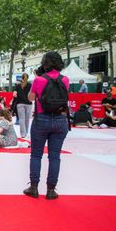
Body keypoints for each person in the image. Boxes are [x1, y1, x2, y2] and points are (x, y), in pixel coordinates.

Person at [24, 51, 69, 200]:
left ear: (44, 63)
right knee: (55, 157)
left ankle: (34, 187)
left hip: (42, 119)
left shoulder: (39, 80)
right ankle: (51, 190)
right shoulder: (65, 79)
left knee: (36, 155)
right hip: (60, 119)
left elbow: (30, 98)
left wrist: (37, 80)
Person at [13, 73, 32, 138]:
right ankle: (26, 132)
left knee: (21, 119)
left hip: (20, 103)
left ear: (22, 78)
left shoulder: (18, 86)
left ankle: (23, 134)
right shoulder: (30, 85)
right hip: (29, 103)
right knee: (27, 119)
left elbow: (14, 95)